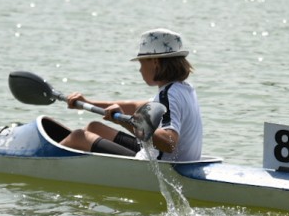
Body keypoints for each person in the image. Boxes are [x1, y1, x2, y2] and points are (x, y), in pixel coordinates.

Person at [59, 28, 203, 162]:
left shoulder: (168, 95)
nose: (140, 70)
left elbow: (169, 142)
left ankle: (40, 165)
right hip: (175, 160)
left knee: (79, 136)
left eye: (141, 63)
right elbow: (134, 106)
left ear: (155, 62)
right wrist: (87, 102)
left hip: (161, 167)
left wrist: (124, 121)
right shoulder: (184, 89)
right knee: (94, 127)